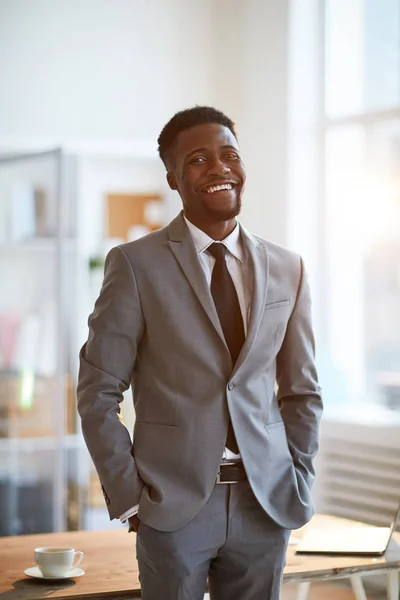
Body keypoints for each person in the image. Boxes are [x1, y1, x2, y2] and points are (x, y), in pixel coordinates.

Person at [77, 106, 323, 600]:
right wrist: (131, 499)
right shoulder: (135, 265)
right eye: (197, 159)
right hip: (172, 505)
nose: (219, 167)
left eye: (229, 154)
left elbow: (301, 390)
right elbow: (98, 391)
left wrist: (298, 473)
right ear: (172, 177)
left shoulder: (288, 268)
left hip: (265, 499)